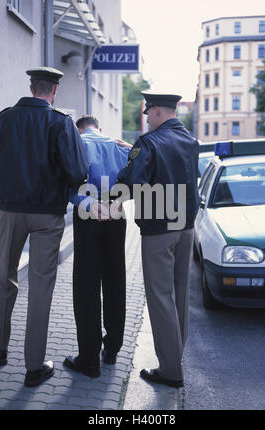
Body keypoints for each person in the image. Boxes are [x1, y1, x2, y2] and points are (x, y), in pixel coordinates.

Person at [0, 67, 89, 387]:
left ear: (31, 87)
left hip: (10, 210)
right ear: (54, 91)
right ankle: (34, 366)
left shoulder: (2, 119)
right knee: (41, 287)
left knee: (5, 277)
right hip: (48, 214)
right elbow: (77, 170)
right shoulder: (61, 122)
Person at [117, 91, 199, 388]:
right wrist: (136, 150)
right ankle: (175, 358)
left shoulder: (148, 142)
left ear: (158, 112)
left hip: (159, 229)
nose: (146, 117)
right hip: (186, 227)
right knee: (179, 294)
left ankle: (171, 372)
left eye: (147, 112)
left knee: (160, 297)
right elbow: (169, 166)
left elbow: (131, 180)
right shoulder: (190, 139)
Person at [63, 115, 131, 378]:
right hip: (115, 213)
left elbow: (69, 185)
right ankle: (112, 349)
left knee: (86, 287)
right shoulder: (117, 146)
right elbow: (135, 179)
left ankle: (89, 359)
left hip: (89, 214)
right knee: (116, 280)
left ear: (79, 130)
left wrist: (90, 205)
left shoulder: (76, 144)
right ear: (99, 128)